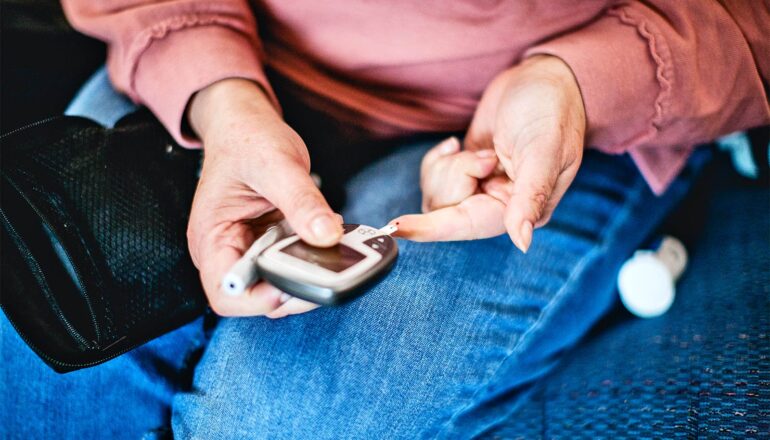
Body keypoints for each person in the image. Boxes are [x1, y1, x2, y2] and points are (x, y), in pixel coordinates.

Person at [1, 1, 768, 438]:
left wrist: (586, 80)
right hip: (215, 58)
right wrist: (216, 92)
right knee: (56, 376)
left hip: (563, 116)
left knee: (274, 427)